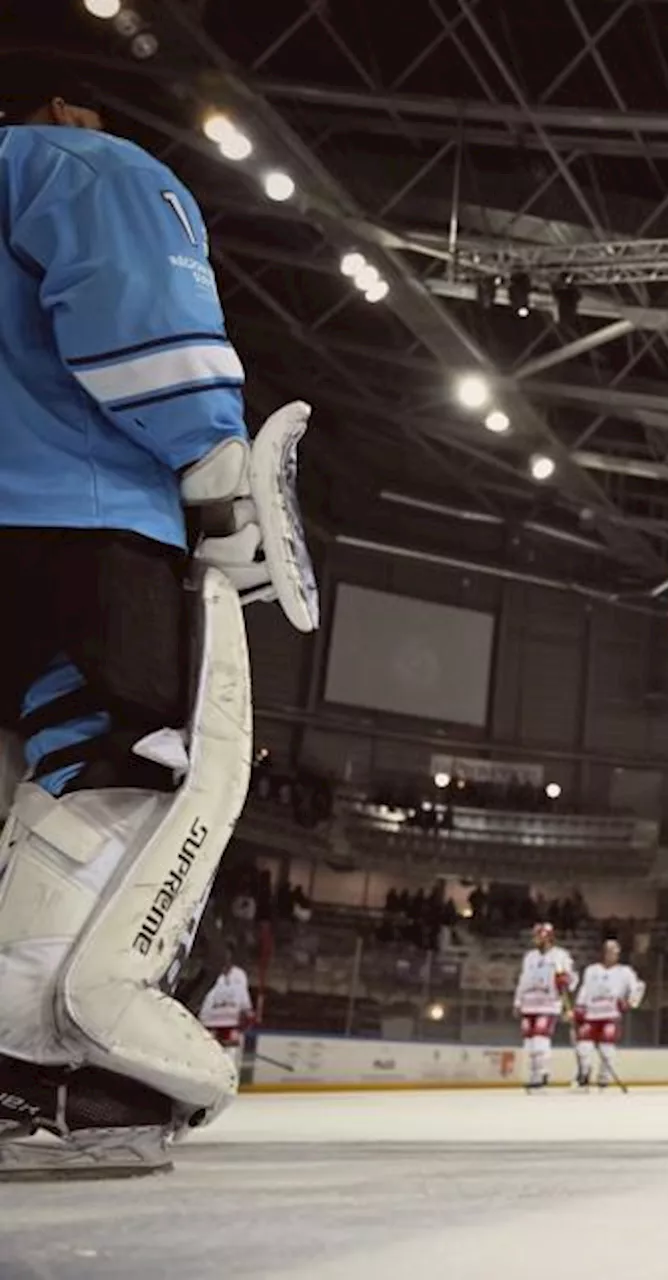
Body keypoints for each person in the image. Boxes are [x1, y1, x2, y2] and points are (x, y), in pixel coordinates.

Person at [0, 68, 316, 1178]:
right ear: (66, 104)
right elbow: (139, 318)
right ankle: (45, 1066)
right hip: (69, 520)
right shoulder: (72, 162)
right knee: (116, 759)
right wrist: (212, 465)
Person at [572, 940, 645, 1090]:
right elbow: (584, 990)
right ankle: (584, 1074)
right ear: (603, 952)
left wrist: (630, 1002)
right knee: (583, 1048)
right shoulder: (592, 970)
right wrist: (579, 1008)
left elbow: (638, 987)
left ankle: (603, 1078)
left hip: (611, 1016)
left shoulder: (625, 972)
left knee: (607, 1050)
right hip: (591, 1015)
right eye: (609, 951)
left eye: (615, 952)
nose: (612, 955)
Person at [513, 922, 577, 1091]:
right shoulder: (529, 957)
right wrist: (518, 1001)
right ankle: (534, 1075)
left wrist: (565, 979)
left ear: (548, 937)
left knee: (540, 1040)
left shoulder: (561, 956)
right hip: (529, 1004)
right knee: (530, 1044)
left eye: (539, 936)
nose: (535, 939)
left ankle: (542, 1073)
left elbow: (572, 979)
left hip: (548, 1005)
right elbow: (523, 980)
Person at [197, 947, 256, 1079]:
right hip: (210, 1022)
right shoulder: (210, 974)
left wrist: (248, 1011)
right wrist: (201, 1020)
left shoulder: (239, 974)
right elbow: (206, 998)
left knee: (230, 1056)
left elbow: (243, 995)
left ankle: (229, 1081)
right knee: (209, 1055)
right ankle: (208, 1080)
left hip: (232, 1022)